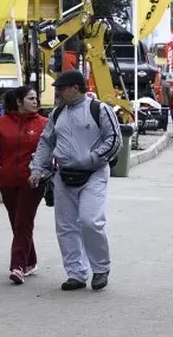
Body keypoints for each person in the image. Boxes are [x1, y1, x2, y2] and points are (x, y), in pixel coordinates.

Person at [30, 70, 121, 292]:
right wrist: (37, 169)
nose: (58, 92)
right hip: (63, 175)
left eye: (61, 88)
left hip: (94, 174)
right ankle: (76, 274)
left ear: (76, 87)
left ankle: (100, 269)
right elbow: (46, 142)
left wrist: (91, 158)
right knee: (65, 227)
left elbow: (114, 139)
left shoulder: (99, 109)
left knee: (90, 221)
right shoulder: (57, 113)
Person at [0, 85, 49, 285]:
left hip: (33, 181)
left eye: (36, 98)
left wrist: (42, 171)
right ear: (19, 102)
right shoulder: (1, 123)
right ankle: (30, 260)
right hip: (7, 180)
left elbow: (49, 148)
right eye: (30, 99)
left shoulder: (44, 123)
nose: (35, 102)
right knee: (17, 222)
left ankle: (17, 267)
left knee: (23, 222)